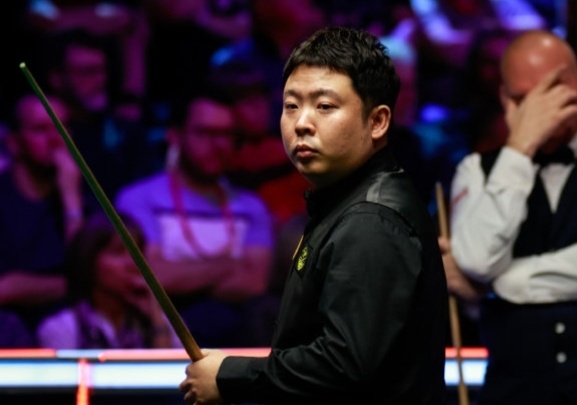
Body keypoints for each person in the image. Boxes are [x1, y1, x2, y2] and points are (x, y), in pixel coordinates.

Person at [179, 26, 448, 405]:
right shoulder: (346, 205)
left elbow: (343, 365)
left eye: (324, 106)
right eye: (291, 105)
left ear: (377, 121)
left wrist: (229, 376)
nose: (302, 122)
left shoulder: (370, 221)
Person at [449, 29, 577, 404]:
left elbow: (479, 275)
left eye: (547, 95)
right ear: (505, 99)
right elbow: (477, 260)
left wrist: (496, 286)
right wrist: (520, 147)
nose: (538, 114)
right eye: (524, 100)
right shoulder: (475, 170)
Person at [115, 89, 275, 348]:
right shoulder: (139, 199)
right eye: (204, 133)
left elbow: (254, 283)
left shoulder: (252, 207)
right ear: (175, 135)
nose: (218, 145)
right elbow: (151, 277)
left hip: (237, 336)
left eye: (226, 134)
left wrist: (181, 274)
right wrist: (229, 265)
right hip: (160, 328)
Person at [0, 93, 84, 345]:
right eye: (41, 129)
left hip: (69, 331)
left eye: (62, 127)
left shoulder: (85, 201)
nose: (56, 139)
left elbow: (87, 275)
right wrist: (71, 286)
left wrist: (71, 199)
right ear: (14, 142)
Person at [36, 211, 180, 349]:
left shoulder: (161, 323)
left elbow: (174, 366)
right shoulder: (62, 328)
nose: (132, 264)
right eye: (118, 252)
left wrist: (156, 315)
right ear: (89, 260)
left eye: (137, 253)